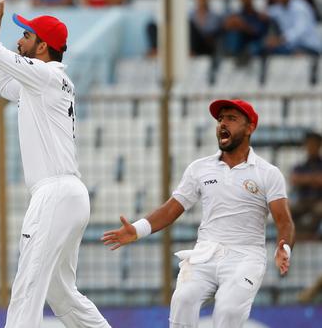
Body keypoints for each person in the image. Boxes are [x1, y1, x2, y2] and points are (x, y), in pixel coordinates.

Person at [0, 0, 111, 328]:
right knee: (61, 294)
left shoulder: (44, 76)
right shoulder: (44, 81)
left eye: (26, 37)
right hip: (68, 193)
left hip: (55, 193)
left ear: (43, 47)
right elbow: (5, 85)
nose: (19, 40)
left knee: (28, 284)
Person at [102, 99, 295, 328]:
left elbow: (284, 221)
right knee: (183, 300)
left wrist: (284, 247)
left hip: (245, 256)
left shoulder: (267, 173)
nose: (223, 124)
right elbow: (172, 209)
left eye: (231, 119)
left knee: (228, 311)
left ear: (250, 127)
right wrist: (138, 229)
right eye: (220, 119)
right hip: (205, 252)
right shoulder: (200, 168)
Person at [290, 132, 322, 240]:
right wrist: (314, 179)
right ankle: (300, 234)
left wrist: (305, 179)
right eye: (309, 144)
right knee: (286, 210)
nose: (311, 147)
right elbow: (294, 179)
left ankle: (310, 235)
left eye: (314, 144)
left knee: (319, 210)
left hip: (319, 201)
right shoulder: (301, 165)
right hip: (303, 201)